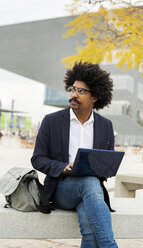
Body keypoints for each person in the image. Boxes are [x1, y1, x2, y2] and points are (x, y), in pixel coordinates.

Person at [31, 61, 117, 248]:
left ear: (95, 96)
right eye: (72, 89)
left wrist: (105, 167)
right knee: (90, 183)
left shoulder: (105, 126)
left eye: (81, 91)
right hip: (61, 188)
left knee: (89, 231)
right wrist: (63, 167)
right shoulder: (52, 121)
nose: (73, 94)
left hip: (91, 193)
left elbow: (108, 163)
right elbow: (37, 159)